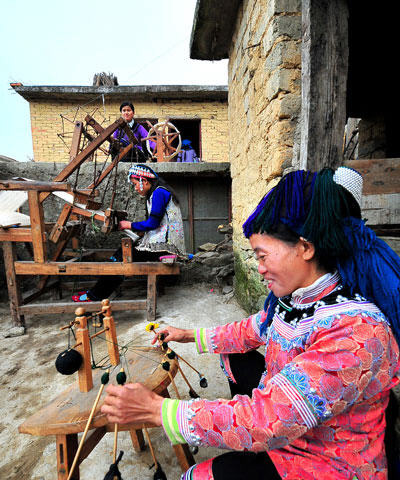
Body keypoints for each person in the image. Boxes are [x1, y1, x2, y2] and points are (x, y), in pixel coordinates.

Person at [100, 166, 400, 480]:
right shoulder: (299, 297)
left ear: (306, 247)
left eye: (262, 255)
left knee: (195, 476)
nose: (258, 269)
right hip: (295, 429)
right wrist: (185, 335)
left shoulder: (357, 331)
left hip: (326, 460)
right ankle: (252, 447)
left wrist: (158, 410)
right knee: (231, 353)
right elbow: (252, 329)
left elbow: (267, 419)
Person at [72, 164, 185, 302]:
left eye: (135, 184)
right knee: (122, 255)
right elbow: (156, 223)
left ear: (144, 181)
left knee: (121, 257)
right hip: (164, 244)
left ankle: (94, 296)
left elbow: (153, 224)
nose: (136, 188)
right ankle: (96, 293)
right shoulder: (158, 192)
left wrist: (129, 225)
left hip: (165, 247)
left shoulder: (159, 193)